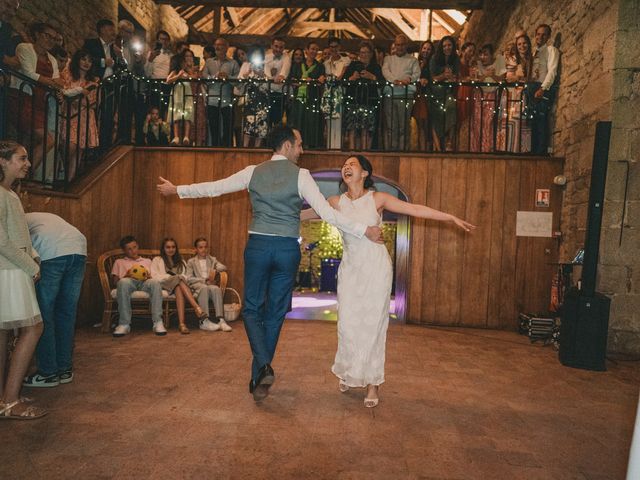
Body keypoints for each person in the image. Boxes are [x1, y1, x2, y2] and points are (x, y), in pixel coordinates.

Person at [157, 125, 382, 402]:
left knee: (251, 309)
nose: (302, 150)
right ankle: (260, 374)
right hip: (287, 249)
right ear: (286, 146)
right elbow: (327, 213)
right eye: (299, 145)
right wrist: (364, 230)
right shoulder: (301, 176)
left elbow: (214, 188)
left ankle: (263, 366)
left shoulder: (253, 172)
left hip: (259, 248)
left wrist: (177, 189)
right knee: (275, 312)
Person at [302, 155, 475, 407]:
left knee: (373, 325)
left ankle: (373, 384)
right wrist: (270, 212)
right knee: (348, 324)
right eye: (344, 165)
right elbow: (306, 214)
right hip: (350, 270)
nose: (346, 167)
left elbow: (414, 209)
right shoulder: (334, 202)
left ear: (365, 173)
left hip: (375, 268)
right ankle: (349, 372)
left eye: (353, 164)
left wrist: (448, 217)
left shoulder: (377, 198)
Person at [0, 141, 46, 419]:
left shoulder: (9, 192)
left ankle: (4, 398)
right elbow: (2, 240)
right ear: (2, 161)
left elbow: (18, 234)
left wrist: (35, 254)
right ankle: (11, 401)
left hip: (12, 267)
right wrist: (30, 265)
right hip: (10, 271)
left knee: (4, 333)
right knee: (33, 329)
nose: (27, 163)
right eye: (21, 158)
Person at [22, 212, 86, 388]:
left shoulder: (18, 216)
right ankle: (65, 369)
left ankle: (48, 372)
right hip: (78, 249)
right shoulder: (40, 216)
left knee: (45, 313)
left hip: (50, 251)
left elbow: (19, 246)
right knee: (66, 313)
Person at [9, 23, 62, 172]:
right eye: (47, 36)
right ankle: (25, 174)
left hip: (39, 103)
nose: (51, 40)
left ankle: (20, 178)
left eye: (54, 38)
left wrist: (52, 83)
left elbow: (59, 83)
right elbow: (29, 73)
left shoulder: (52, 59)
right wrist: (52, 82)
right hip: (22, 97)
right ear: (38, 34)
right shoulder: (24, 48)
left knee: (27, 140)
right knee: (47, 140)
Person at [150, 238, 214, 335]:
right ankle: (197, 308)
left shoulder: (181, 261)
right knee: (178, 280)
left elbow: (185, 277)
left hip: (179, 286)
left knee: (179, 286)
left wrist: (177, 278)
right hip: (163, 285)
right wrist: (171, 277)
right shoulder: (157, 260)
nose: (171, 249)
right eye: (168, 247)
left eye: (173, 247)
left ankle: (182, 324)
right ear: (163, 249)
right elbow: (154, 276)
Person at [111, 235, 166, 337]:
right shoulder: (119, 262)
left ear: (138, 246)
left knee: (155, 282)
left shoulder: (147, 261)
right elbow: (115, 282)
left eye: (135, 247)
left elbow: (154, 276)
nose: (133, 251)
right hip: (128, 282)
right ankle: (124, 324)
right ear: (124, 251)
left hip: (144, 282)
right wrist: (126, 275)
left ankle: (158, 322)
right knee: (122, 282)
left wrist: (149, 276)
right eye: (129, 249)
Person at [60, 49, 100, 181]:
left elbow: (94, 101)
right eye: (84, 59)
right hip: (70, 114)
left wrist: (79, 100)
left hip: (85, 116)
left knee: (79, 149)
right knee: (69, 145)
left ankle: (69, 181)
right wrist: (79, 98)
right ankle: (62, 174)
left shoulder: (94, 80)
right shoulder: (68, 74)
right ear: (77, 60)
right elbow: (63, 91)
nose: (86, 63)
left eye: (89, 60)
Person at [342, 41, 383, 150]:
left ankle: (365, 154)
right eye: (361, 52)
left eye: (366, 52)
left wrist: (372, 77)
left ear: (371, 54)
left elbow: (382, 83)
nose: (363, 55)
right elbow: (343, 81)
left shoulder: (376, 67)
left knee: (366, 130)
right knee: (352, 129)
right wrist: (352, 78)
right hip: (353, 102)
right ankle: (352, 153)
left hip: (369, 102)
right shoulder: (353, 65)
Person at [382, 34, 420, 151]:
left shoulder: (413, 60)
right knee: (391, 125)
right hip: (390, 94)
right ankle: (392, 151)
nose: (400, 47)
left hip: (406, 94)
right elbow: (385, 71)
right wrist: (395, 80)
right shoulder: (388, 59)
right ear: (395, 45)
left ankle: (404, 151)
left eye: (402, 45)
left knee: (404, 126)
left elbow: (416, 74)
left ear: (406, 45)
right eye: (397, 45)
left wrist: (408, 80)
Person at [186, 237, 231, 332]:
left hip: (209, 284)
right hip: (198, 285)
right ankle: (204, 321)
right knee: (204, 288)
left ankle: (221, 320)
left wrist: (215, 269)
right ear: (196, 249)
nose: (204, 249)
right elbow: (188, 278)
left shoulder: (211, 259)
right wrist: (203, 280)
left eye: (206, 247)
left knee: (216, 289)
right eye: (200, 247)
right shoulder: (191, 262)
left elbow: (223, 267)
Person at [202, 37, 239, 147]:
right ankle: (214, 150)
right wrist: (214, 77)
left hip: (227, 100)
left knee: (228, 128)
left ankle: (226, 150)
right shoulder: (209, 62)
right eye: (216, 44)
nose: (217, 47)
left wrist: (228, 78)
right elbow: (203, 77)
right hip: (212, 100)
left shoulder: (233, 63)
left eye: (221, 45)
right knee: (214, 127)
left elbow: (238, 80)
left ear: (226, 47)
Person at [287, 41, 325, 149]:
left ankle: (310, 146)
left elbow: (320, 81)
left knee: (311, 122)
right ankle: (297, 145)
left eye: (316, 49)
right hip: (298, 98)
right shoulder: (298, 65)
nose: (314, 51)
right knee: (298, 121)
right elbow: (292, 79)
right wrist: (300, 82)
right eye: (312, 48)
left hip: (312, 98)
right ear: (307, 50)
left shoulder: (319, 66)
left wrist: (311, 80)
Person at [470, 43, 506, 152]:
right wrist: (485, 75)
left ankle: (487, 149)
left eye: (486, 54)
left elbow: (502, 79)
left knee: (488, 122)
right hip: (479, 95)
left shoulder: (499, 62)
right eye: (481, 54)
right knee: (477, 122)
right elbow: (474, 80)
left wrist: (492, 75)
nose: (483, 57)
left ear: (491, 55)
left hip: (492, 95)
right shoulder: (477, 65)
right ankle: (475, 149)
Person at [500, 34, 533, 153]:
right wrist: (520, 78)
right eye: (519, 44)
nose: (522, 46)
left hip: (525, 93)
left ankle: (523, 150)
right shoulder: (513, 59)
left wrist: (520, 78)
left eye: (524, 43)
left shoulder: (531, 60)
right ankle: (509, 149)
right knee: (512, 121)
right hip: (513, 94)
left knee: (524, 122)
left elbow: (533, 77)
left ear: (529, 44)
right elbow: (509, 78)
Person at [531, 24, 560, 155]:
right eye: (538, 34)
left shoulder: (551, 50)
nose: (540, 37)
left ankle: (541, 152)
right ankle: (533, 150)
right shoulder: (534, 53)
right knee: (533, 120)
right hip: (533, 87)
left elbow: (552, 71)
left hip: (543, 87)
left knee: (542, 119)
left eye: (544, 34)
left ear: (548, 37)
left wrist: (543, 88)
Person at [429, 36, 460, 152]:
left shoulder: (455, 58)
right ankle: (437, 147)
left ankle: (449, 140)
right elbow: (433, 78)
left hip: (449, 91)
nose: (447, 48)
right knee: (437, 117)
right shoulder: (435, 59)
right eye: (445, 46)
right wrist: (443, 76)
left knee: (451, 108)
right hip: (436, 92)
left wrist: (453, 77)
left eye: (449, 45)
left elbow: (456, 75)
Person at [237, 46, 269, 147]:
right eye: (254, 54)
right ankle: (245, 146)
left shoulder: (265, 66)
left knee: (261, 123)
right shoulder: (246, 65)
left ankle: (257, 147)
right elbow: (239, 83)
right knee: (248, 122)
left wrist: (262, 75)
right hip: (250, 98)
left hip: (262, 99)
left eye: (258, 54)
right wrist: (246, 76)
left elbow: (269, 83)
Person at [166, 49, 199, 146]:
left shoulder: (188, 72)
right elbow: (168, 80)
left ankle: (186, 137)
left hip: (187, 93)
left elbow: (195, 78)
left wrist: (191, 68)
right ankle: (176, 137)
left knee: (187, 115)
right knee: (177, 114)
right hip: (178, 94)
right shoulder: (176, 71)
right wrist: (178, 76)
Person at [323, 37, 351, 149]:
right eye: (331, 47)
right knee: (329, 123)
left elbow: (341, 76)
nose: (333, 49)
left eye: (336, 46)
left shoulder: (346, 60)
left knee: (338, 123)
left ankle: (337, 148)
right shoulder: (325, 63)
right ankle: (330, 148)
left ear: (339, 47)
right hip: (328, 94)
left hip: (340, 94)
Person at [264, 37, 290, 128]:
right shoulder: (266, 58)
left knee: (277, 121)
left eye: (281, 47)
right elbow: (265, 73)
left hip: (279, 93)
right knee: (265, 121)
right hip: (266, 93)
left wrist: (281, 76)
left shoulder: (286, 57)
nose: (278, 49)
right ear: (271, 46)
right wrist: (271, 78)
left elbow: (284, 72)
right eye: (276, 46)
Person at [413, 40, 435, 151]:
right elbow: (413, 76)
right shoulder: (416, 62)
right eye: (424, 48)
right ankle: (421, 148)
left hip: (429, 94)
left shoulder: (433, 63)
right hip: (419, 94)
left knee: (428, 124)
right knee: (420, 124)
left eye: (429, 49)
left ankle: (427, 148)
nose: (426, 51)